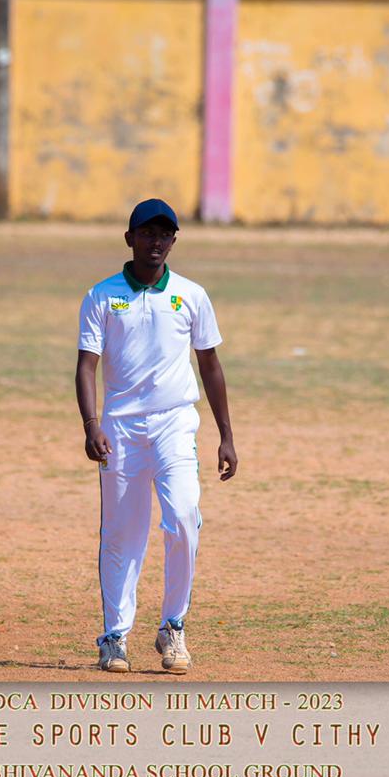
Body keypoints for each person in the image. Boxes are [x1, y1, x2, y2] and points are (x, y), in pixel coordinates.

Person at [75, 198, 237, 674]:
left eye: (165, 234)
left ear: (174, 241)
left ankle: (173, 626)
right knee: (122, 534)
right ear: (130, 238)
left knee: (184, 517)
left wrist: (226, 435)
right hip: (121, 429)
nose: (156, 242)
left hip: (175, 423)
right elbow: (86, 365)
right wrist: (91, 424)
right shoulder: (101, 296)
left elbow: (210, 364)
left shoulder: (191, 295)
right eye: (147, 233)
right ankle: (114, 637)